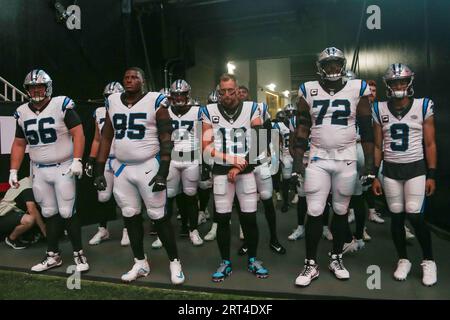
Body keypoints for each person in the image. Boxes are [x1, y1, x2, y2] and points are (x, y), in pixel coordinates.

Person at [93, 67, 185, 284]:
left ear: (143, 82)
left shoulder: (155, 101)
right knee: (130, 215)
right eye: (126, 77)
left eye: (134, 77)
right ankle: (140, 262)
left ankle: (175, 261)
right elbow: (106, 137)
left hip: (148, 165)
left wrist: (163, 171)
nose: (129, 80)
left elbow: (166, 138)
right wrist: (99, 168)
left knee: (159, 217)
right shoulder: (113, 101)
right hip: (123, 168)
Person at [292, 47, 374, 287]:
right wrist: (298, 161)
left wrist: (369, 163)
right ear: (320, 67)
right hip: (318, 158)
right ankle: (310, 264)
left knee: (340, 210)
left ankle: (336, 258)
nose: (333, 69)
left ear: (343, 65)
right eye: (328, 65)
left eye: (336, 64)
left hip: (346, 158)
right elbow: (302, 128)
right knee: (315, 210)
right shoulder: (309, 89)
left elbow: (367, 128)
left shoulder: (357, 88)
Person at [10, 69, 89, 272]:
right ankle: (53, 255)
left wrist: (78, 159)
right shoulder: (22, 112)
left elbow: (78, 134)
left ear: (48, 87)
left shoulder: (60, 105)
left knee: (67, 212)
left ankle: (79, 255)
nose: (36, 90)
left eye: (40, 86)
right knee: (49, 212)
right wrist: (13, 170)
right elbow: (19, 144)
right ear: (26, 89)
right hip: (39, 170)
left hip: (63, 166)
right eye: (32, 87)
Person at [372, 63, 437, 286]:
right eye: (393, 82)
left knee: (415, 215)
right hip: (390, 170)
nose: (398, 85)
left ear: (409, 82)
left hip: (416, 168)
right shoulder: (379, 108)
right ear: (387, 85)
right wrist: (374, 174)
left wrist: (432, 174)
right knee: (397, 216)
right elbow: (378, 146)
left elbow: (429, 143)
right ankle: (403, 259)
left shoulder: (423, 105)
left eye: (401, 81)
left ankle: (429, 261)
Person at [202, 73, 269, 282]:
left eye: (231, 90)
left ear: (237, 89)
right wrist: (230, 159)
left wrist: (239, 167)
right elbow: (206, 146)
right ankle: (225, 261)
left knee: (249, 218)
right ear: (218, 92)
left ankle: (253, 259)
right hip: (222, 171)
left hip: (246, 170)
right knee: (222, 219)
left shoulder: (252, 108)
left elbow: (260, 141)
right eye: (223, 91)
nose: (227, 95)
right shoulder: (208, 111)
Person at [153, 79, 203, 248]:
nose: (179, 97)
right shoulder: (164, 111)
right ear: (171, 95)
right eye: (176, 94)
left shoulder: (198, 111)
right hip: (172, 159)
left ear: (188, 94)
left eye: (182, 94)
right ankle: (163, 233)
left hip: (191, 158)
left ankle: (193, 230)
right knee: (168, 197)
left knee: (190, 195)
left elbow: (205, 137)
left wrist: (205, 162)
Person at [85, 81, 130, 246]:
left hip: (121, 160)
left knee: (124, 197)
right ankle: (103, 229)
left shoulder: (128, 110)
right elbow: (97, 139)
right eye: (108, 96)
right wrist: (91, 158)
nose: (111, 99)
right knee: (103, 196)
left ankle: (128, 230)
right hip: (105, 160)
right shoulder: (99, 112)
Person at [0, 177, 46, 249]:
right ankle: (11, 239)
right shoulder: (28, 187)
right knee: (29, 219)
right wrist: (44, 230)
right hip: (2, 217)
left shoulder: (26, 182)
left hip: (10, 214)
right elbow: (32, 209)